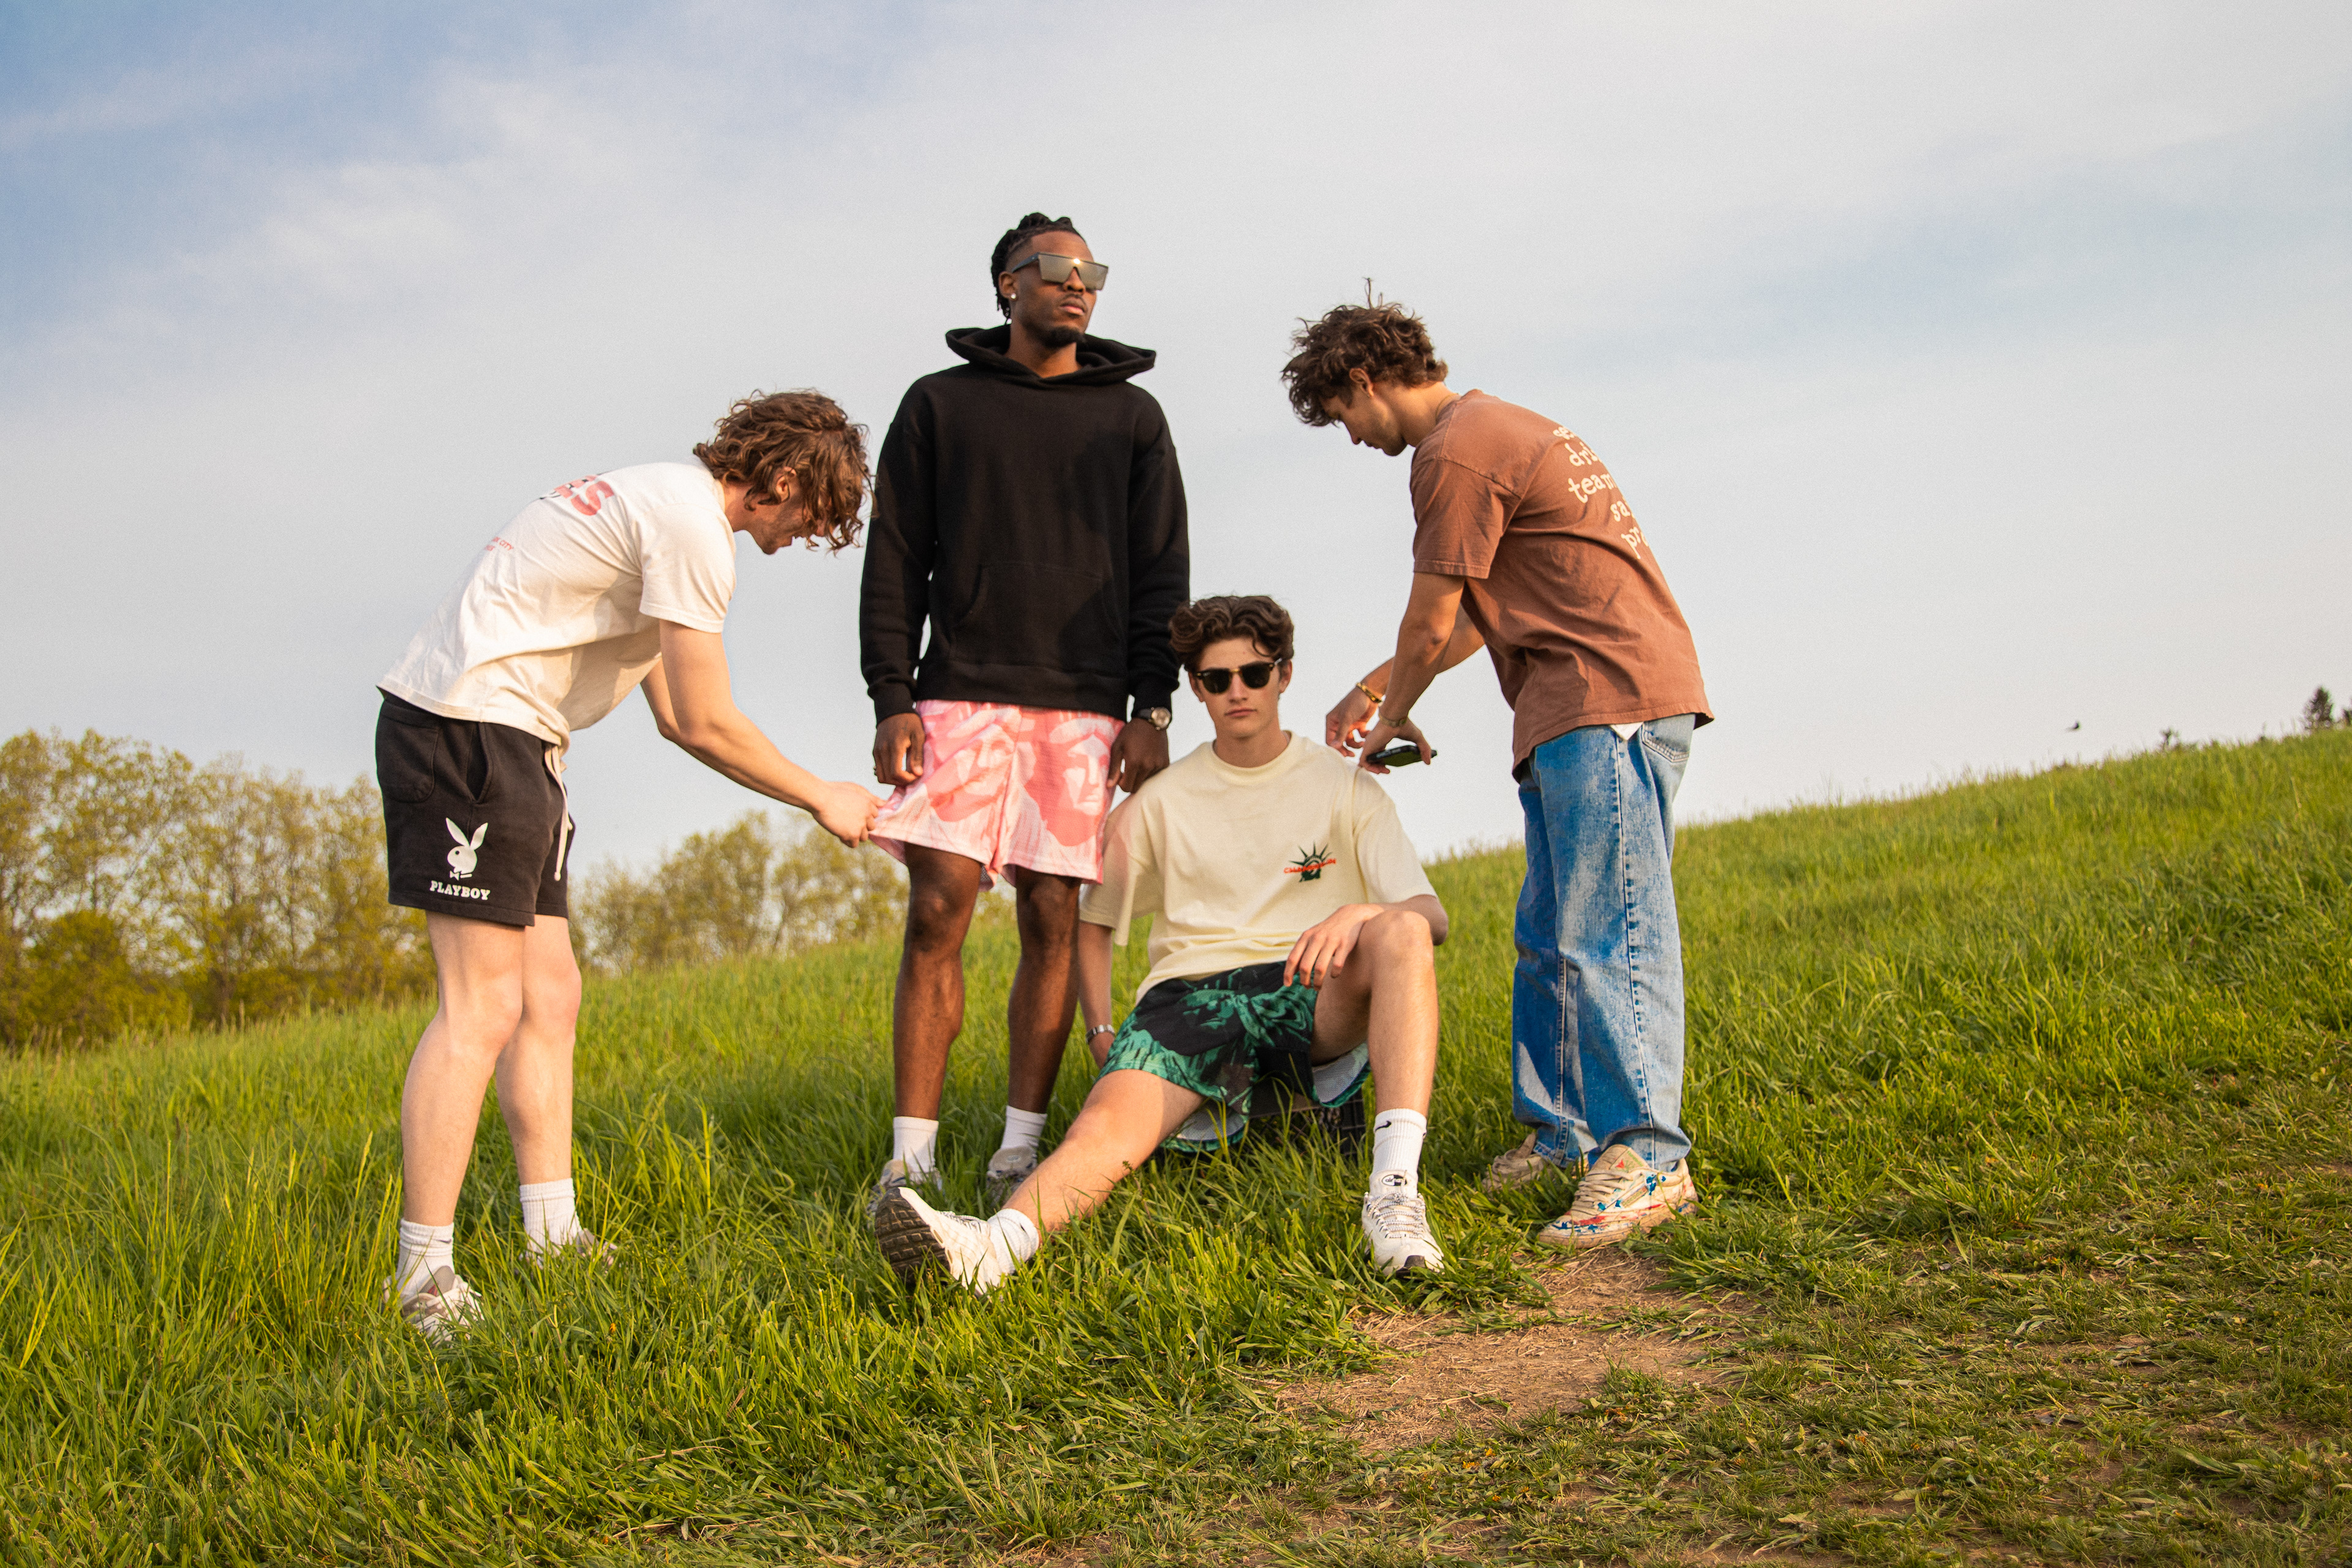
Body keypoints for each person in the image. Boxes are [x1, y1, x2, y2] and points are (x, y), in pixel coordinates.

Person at [374, 391, 881, 1338]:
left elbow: (671, 715)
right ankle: (425, 1280)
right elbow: (702, 719)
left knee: (550, 996)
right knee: (479, 1006)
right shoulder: (694, 525)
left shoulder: (662, 505)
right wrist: (824, 793)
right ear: (781, 481)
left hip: (520, 743)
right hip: (467, 729)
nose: (810, 532)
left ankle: (552, 1234)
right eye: (816, 511)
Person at [1281, 303, 1714, 1251]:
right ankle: (1565, 1135)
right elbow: (1481, 611)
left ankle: (1647, 1155)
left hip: (1609, 702)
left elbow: (1432, 621)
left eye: (1341, 415)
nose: (1353, 438)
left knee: (1609, 929)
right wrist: (1376, 687)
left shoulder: (1454, 451)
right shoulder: (1497, 431)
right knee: (1552, 930)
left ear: (1362, 380)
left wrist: (1388, 717)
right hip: (1576, 707)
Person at [871, 595, 1449, 1293]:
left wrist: (1356, 914)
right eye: (1216, 679)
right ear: (1198, 690)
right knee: (1105, 1127)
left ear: (1285, 676)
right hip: (1192, 997)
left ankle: (1394, 1196)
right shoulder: (1161, 800)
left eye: (1254, 674)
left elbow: (1428, 916)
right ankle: (988, 1250)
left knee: (1402, 929)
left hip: (1307, 984)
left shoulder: (1347, 788)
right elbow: (1096, 921)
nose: (1237, 691)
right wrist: (1102, 1027)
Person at [859, 211, 1189, 1210]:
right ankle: (910, 1157)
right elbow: (894, 560)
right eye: (1054, 268)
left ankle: (1019, 1145)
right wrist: (892, 695)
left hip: (1084, 708)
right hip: (956, 693)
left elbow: (1161, 570)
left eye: (1092, 271)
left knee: (1054, 915)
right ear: (1008, 284)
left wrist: (1155, 706)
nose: (1077, 284)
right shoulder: (938, 406)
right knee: (937, 910)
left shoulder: (1133, 417)